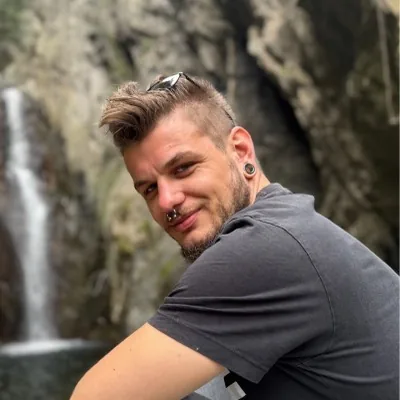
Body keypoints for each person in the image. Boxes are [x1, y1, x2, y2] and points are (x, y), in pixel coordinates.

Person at [70, 72, 399, 400]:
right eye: (150, 189)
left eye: (183, 168)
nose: (167, 201)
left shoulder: (263, 248)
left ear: (241, 150)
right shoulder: (289, 225)